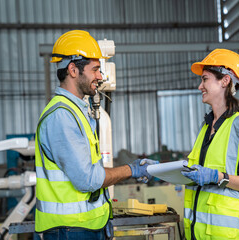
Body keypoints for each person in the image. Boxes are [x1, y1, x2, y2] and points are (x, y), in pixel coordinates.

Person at [34, 30, 157, 240]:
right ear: (73, 70)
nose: (100, 76)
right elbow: (88, 179)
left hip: (84, 226)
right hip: (70, 230)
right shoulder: (62, 116)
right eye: (95, 70)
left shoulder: (76, 110)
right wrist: (132, 169)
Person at [181, 49, 239, 239]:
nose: (200, 86)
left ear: (225, 81)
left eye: (205, 79)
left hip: (229, 235)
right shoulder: (206, 126)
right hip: (199, 234)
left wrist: (217, 177)